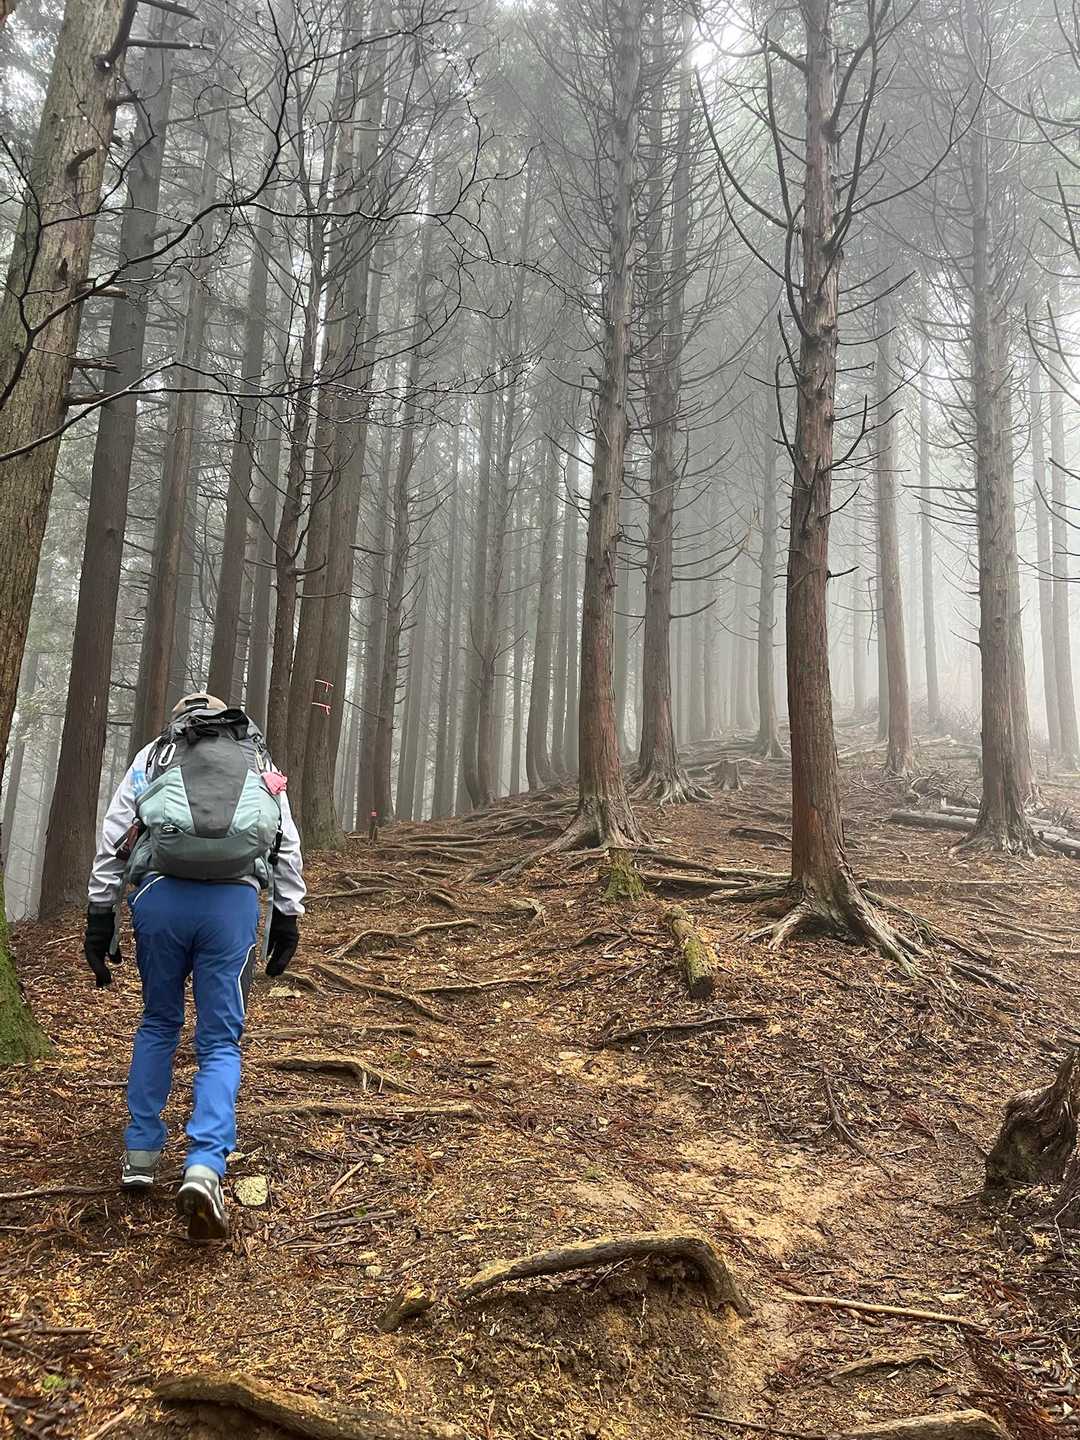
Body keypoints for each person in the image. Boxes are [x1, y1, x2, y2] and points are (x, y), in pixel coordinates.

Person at [83, 692, 305, 1240]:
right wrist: (287, 914)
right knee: (221, 1040)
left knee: (159, 1022)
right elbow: (284, 839)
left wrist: (99, 913)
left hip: (160, 897)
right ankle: (204, 1165)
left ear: (179, 720)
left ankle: (140, 1153)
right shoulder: (255, 756)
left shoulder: (157, 753)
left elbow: (116, 834)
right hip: (231, 903)